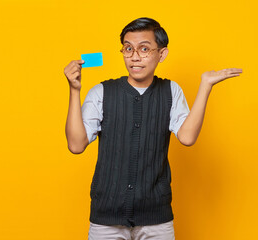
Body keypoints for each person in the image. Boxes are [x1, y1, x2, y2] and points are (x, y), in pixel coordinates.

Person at [64, 17, 243, 240]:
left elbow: (187, 137)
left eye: (144, 49)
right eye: (128, 49)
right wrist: (74, 90)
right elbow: (76, 144)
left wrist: (205, 86)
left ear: (162, 54)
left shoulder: (171, 90)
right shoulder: (101, 92)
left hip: (156, 217)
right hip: (106, 217)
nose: (135, 56)